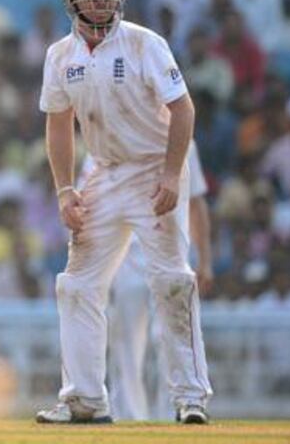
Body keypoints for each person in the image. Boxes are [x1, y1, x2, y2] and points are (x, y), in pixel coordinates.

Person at [36, 0, 212, 425]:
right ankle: (85, 400)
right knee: (76, 284)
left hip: (154, 167)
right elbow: (58, 123)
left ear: (120, 0)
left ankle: (190, 397)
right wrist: (65, 189)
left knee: (172, 280)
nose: (99, 5)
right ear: (72, 2)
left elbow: (184, 110)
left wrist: (173, 174)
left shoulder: (143, 44)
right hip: (106, 171)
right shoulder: (60, 56)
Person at [97, 140, 213, 421]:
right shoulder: (107, 133)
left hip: (169, 250)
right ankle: (127, 417)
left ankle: (177, 410)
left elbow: (196, 202)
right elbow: (91, 204)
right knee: (125, 343)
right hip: (125, 257)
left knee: (169, 335)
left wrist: (205, 261)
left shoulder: (182, 137)